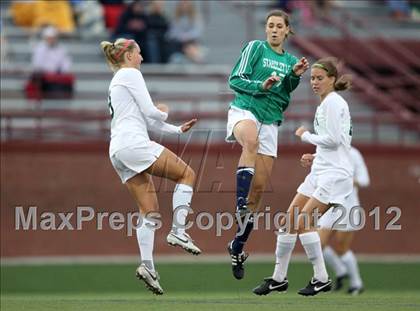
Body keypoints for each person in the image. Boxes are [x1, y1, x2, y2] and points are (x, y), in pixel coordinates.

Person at [100, 38, 201, 295]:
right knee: (187, 174)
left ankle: (148, 266)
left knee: (150, 211)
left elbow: (147, 119)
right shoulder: (130, 73)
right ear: (130, 55)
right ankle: (179, 231)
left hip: (118, 150)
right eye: (140, 53)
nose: (142, 58)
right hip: (134, 144)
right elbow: (151, 112)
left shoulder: (118, 81)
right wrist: (164, 111)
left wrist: (176, 129)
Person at [253, 57, 353, 296]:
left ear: (332, 79)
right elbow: (334, 143)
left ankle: (321, 277)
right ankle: (279, 278)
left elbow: (336, 140)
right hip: (321, 170)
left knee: (302, 222)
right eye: (312, 78)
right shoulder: (325, 104)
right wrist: (315, 157)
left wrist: (306, 136)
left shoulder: (333, 103)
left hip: (334, 174)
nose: (315, 83)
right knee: (289, 221)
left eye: (320, 78)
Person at [225, 9, 309, 280]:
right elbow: (235, 79)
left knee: (258, 192)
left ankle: (237, 246)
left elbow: (284, 92)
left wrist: (294, 76)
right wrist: (261, 85)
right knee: (250, 140)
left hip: (271, 122)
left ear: (287, 30)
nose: (273, 30)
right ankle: (239, 203)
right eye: (270, 25)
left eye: (278, 26)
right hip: (245, 111)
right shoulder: (256, 47)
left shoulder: (292, 60)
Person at [309, 146, 369, 295]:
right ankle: (341, 270)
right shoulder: (325, 150)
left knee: (342, 247)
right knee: (316, 243)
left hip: (348, 206)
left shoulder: (354, 154)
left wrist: (346, 179)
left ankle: (356, 283)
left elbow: (364, 180)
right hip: (329, 204)